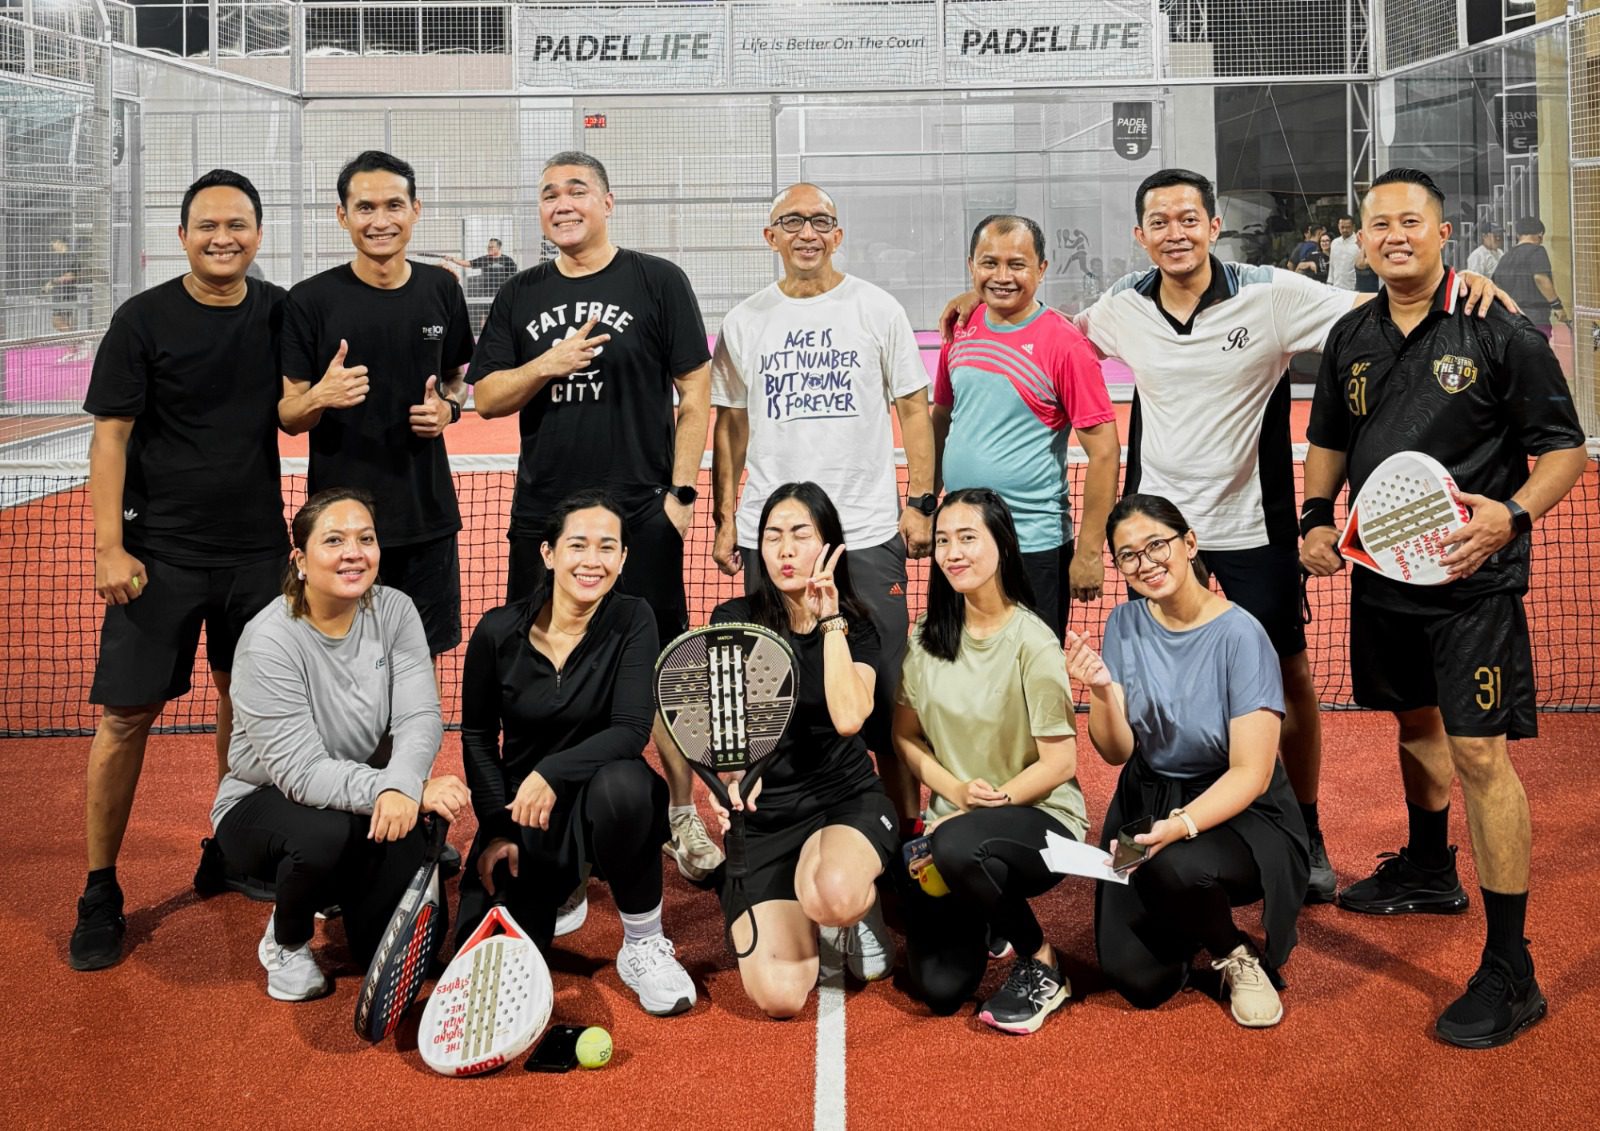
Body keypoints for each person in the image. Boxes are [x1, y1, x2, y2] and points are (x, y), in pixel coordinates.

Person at [941, 168, 1510, 907]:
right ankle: (1165, 813)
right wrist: (975, 306)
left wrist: (1461, 287)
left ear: (1213, 227)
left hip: (1253, 531)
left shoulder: (1271, 294)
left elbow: (1381, 302)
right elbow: (1047, 327)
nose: (1174, 232)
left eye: (1188, 218)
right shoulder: (1119, 309)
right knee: (1149, 683)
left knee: (1288, 677)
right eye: (1159, 221)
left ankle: (1305, 833)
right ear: (1141, 235)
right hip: (1156, 542)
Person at [1302, 168, 1587, 1048]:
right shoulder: (1351, 333)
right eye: (1378, 223)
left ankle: (1512, 966)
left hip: (1474, 583)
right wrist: (1317, 515)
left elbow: (1564, 450)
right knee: (1413, 721)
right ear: (1361, 236)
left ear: (1443, 231)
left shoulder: (1499, 327)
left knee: (1479, 753)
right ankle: (1430, 866)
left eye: (1411, 221)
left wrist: (1513, 514)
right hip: (1383, 576)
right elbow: (1329, 442)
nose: (1394, 235)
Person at [469, 150, 721, 884]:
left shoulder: (658, 280)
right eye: (548, 193)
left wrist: (679, 497)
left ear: (610, 201)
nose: (562, 202)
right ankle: (551, 813)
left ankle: (681, 816)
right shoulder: (520, 295)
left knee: (666, 671)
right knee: (546, 667)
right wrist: (547, 364)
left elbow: (695, 393)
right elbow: (486, 397)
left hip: (640, 516)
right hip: (546, 521)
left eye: (577, 189)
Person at [70, 170, 289, 972]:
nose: (222, 236)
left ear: (258, 234)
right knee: (126, 719)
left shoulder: (277, 312)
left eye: (237, 224)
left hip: (257, 554)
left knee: (248, 707)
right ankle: (100, 889)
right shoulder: (142, 320)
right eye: (206, 224)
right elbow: (111, 438)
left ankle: (230, 845)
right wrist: (108, 546)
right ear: (182, 235)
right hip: (155, 556)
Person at [710, 182, 935, 824]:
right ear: (770, 236)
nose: (807, 232)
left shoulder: (877, 308)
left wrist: (920, 500)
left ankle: (903, 839)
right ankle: (779, 821)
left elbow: (914, 408)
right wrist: (728, 518)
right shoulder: (745, 320)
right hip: (770, 535)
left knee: (886, 701)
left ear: (838, 234)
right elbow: (731, 425)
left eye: (821, 221)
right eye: (792, 220)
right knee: (772, 695)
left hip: (863, 535)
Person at [210, 488, 471, 1001]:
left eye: (365, 538)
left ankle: (339, 887)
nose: (354, 552)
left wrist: (400, 785)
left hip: (368, 798)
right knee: (324, 838)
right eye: (334, 540)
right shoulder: (269, 641)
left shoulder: (395, 610)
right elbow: (302, 774)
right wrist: (405, 793)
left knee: (397, 954)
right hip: (266, 804)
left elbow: (420, 716)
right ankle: (285, 940)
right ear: (301, 560)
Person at [1067, 494, 1308, 1028]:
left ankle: (1234, 952)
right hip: (1148, 796)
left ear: (1190, 544)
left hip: (1240, 808)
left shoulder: (1242, 634)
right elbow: (1116, 752)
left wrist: (1179, 826)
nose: (1146, 563)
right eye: (1128, 555)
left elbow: (1252, 771)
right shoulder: (1124, 623)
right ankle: (1183, 915)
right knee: (1136, 980)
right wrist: (1103, 692)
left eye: (1157, 545)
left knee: (1174, 867)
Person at [458, 490, 698, 1016]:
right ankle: (560, 887)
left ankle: (642, 944)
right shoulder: (497, 632)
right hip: (528, 813)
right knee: (485, 975)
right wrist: (498, 827)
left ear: (624, 559)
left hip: (598, 799)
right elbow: (477, 737)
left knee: (628, 787)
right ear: (547, 553)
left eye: (607, 548)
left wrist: (552, 772)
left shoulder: (634, 619)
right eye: (578, 545)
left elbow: (631, 729)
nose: (593, 561)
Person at [893, 488, 1086, 1033]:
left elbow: (1060, 763)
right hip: (953, 821)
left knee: (959, 845)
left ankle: (1042, 960)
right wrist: (953, 791)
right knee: (939, 990)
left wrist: (986, 806)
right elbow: (904, 737)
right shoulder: (926, 639)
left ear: (1002, 543)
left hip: (1039, 822)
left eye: (968, 538)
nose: (953, 552)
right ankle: (981, 911)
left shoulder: (1034, 642)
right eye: (944, 541)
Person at [707, 482, 900, 1018]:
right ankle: (801, 893)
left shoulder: (858, 626)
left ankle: (854, 906)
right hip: (769, 819)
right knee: (780, 998)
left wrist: (831, 619)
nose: (786, 550)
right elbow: (728, 732)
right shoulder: (731, 620)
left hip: (843, 799)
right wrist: (733, 778)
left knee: (832, 896)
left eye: (800, 535)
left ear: (828, 546)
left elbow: (847, 718)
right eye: (772, 537)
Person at [278, 149, 474, 665]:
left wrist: (449, 411)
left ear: (416, 210)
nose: (380, 221)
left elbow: (458, 378)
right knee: (339, 660)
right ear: (343, 216)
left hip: (426, 517)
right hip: (341, 531)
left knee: (418, 662)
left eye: (393, 205)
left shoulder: (441, 289)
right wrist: (321, 395)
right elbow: (289, 413)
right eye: (365, 208)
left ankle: (411, 752)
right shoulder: (309, 301)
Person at [932, 214, 1120, 640]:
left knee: (1033, 674)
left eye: (1017, 264)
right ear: (971, 266)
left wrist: (1090, 551)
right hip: (960, 541)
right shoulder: (961, 327)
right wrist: (925, 502)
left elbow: (1105, 452)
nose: (1002, 276)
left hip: (1032, 545)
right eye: (989, 263)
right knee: (959, 663)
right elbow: (942, 417)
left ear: (1042, 269)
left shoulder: (1065, 344)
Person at [1493, 217, 1568, 341]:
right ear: (1540, 234)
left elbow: (1496, 285)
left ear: (1518, 235)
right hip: (1536, 319)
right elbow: (1540, 278)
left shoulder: (1505, 257)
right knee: (1538, 356)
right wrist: (1557, 306)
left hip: (1510, 320)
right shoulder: (1537, 251)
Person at [44, 234, 91, 361]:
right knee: (67, 324)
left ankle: (80, 343)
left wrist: (53, 281)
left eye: (53, 242)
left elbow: (70, 277)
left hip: (67, 295)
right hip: (58, 295)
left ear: (60, 242)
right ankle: (74, 350)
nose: (52, 246)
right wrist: (50, 284)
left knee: (58, 321)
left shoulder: (71, 257)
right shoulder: (57, 259)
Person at [1327, 214, 1360, 290]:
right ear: (1338, 226)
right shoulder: (1334, 243)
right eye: (1342, 227)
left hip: (1353, 288)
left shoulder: (1359, 243)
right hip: (1336, 287)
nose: (1344, 230)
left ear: (1353, 227)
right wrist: (1329, 283)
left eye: (1348, 227)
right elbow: (1332, 265)